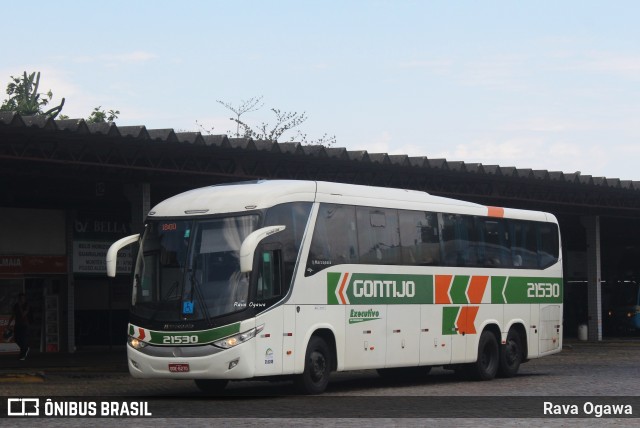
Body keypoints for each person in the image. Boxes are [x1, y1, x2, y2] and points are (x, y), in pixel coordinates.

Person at [8, 293, 30, 360]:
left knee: (23, 340)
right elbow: (13, 314)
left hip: (24, 325)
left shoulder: (26, 305)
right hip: (17, 325)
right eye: (20, 298)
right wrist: (8, 324)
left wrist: (20, 307)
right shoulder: (16, 305)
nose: (21, 300)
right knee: (16, 339)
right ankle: (24, 349)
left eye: (22, 298)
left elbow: (23, 314)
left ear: (24, 299)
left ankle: (22, 355)